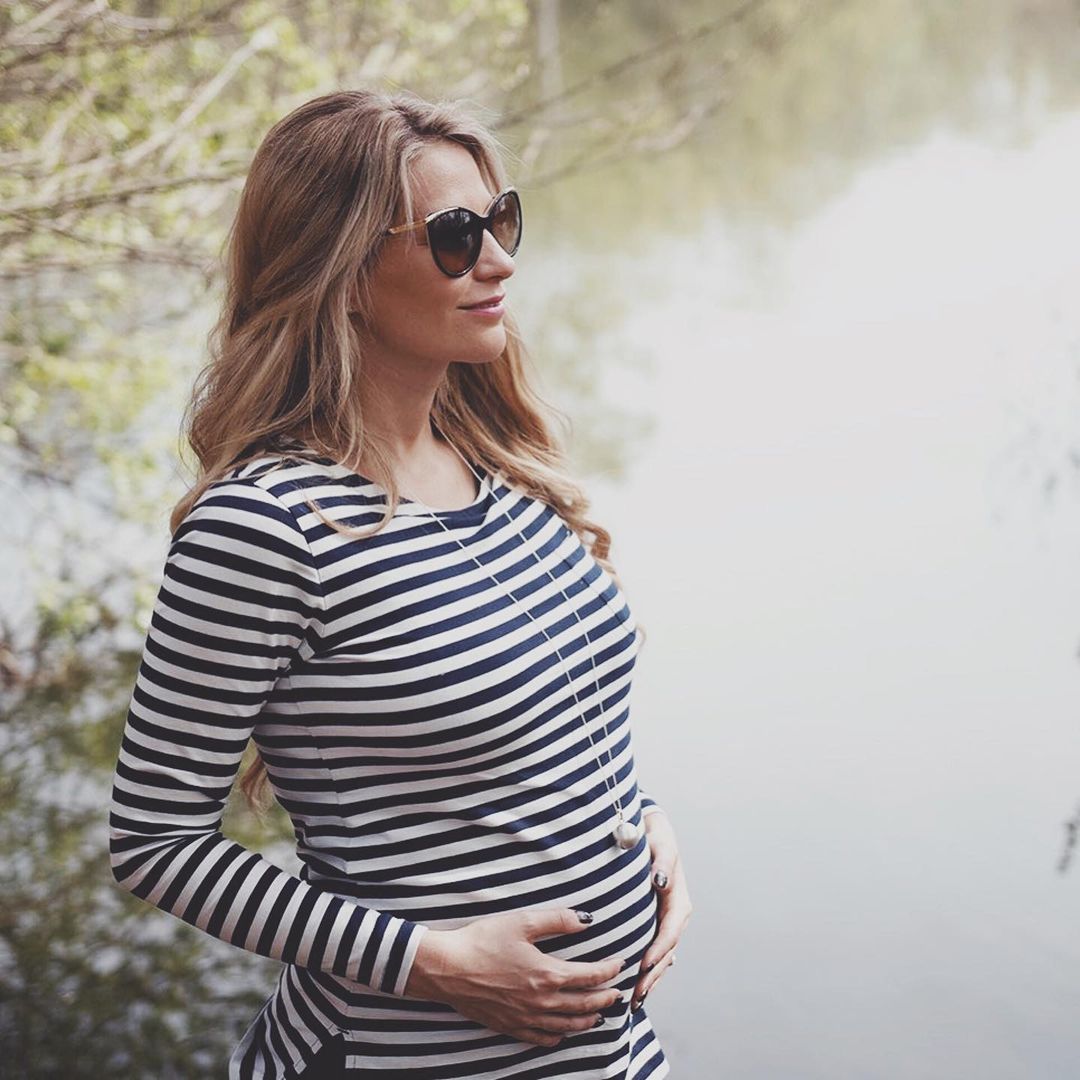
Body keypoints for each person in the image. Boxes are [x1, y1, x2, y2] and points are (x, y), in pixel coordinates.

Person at [107, 88, 691, 1079]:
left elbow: (558, 718)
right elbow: (154, 841)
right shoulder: (267, 526)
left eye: (501, 222)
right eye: (456, 237)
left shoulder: (503, 474)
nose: (499, 261)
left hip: (611, 1056)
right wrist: (435, 963)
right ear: (340, 272)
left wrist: (641, 829)